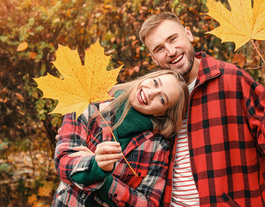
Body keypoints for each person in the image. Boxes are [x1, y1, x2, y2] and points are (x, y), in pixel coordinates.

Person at [139, 12, 265, 207]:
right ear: (153, 58)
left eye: (173, 39)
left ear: (188, 34)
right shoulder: (154, 98)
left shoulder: (233, 79)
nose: (171, 51)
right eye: (159, 49)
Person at [52, 69, 189, 207]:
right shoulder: (91, 102)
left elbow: (149, 204)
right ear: (147, 77)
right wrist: (94, 165)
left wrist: (105, 178)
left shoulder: (158, 146)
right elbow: (63, 162)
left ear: (162, 112)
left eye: (162, 99)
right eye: (155, 82)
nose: (151, 93)